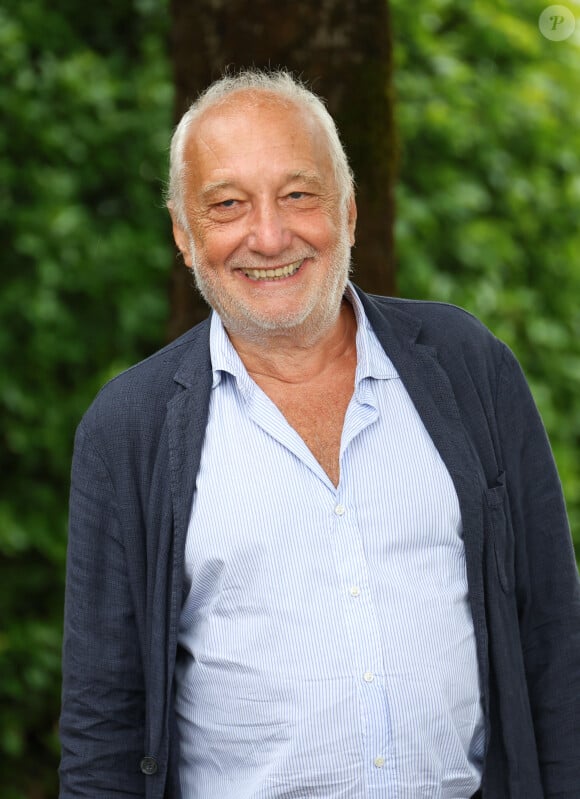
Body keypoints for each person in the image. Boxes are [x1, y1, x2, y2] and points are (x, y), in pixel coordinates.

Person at [59, 69, 580, 799]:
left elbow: (554, 638)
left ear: (350, 210)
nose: (269, 235)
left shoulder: (469, 365)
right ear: (184, 235)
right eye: (227, 204)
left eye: (298, 194)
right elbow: (103, 718)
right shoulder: (130, 427)